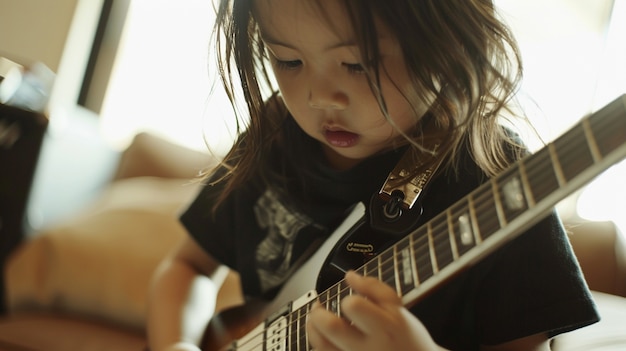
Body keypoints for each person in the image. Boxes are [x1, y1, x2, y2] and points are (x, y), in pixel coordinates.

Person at [147, 0, 600, 350]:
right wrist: (175, 342)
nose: (320, 96)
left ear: (451, 44)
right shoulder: (277, 135)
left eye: (357, 64)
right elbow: (186, 266)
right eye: (287, 60)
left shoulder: (497, 174)